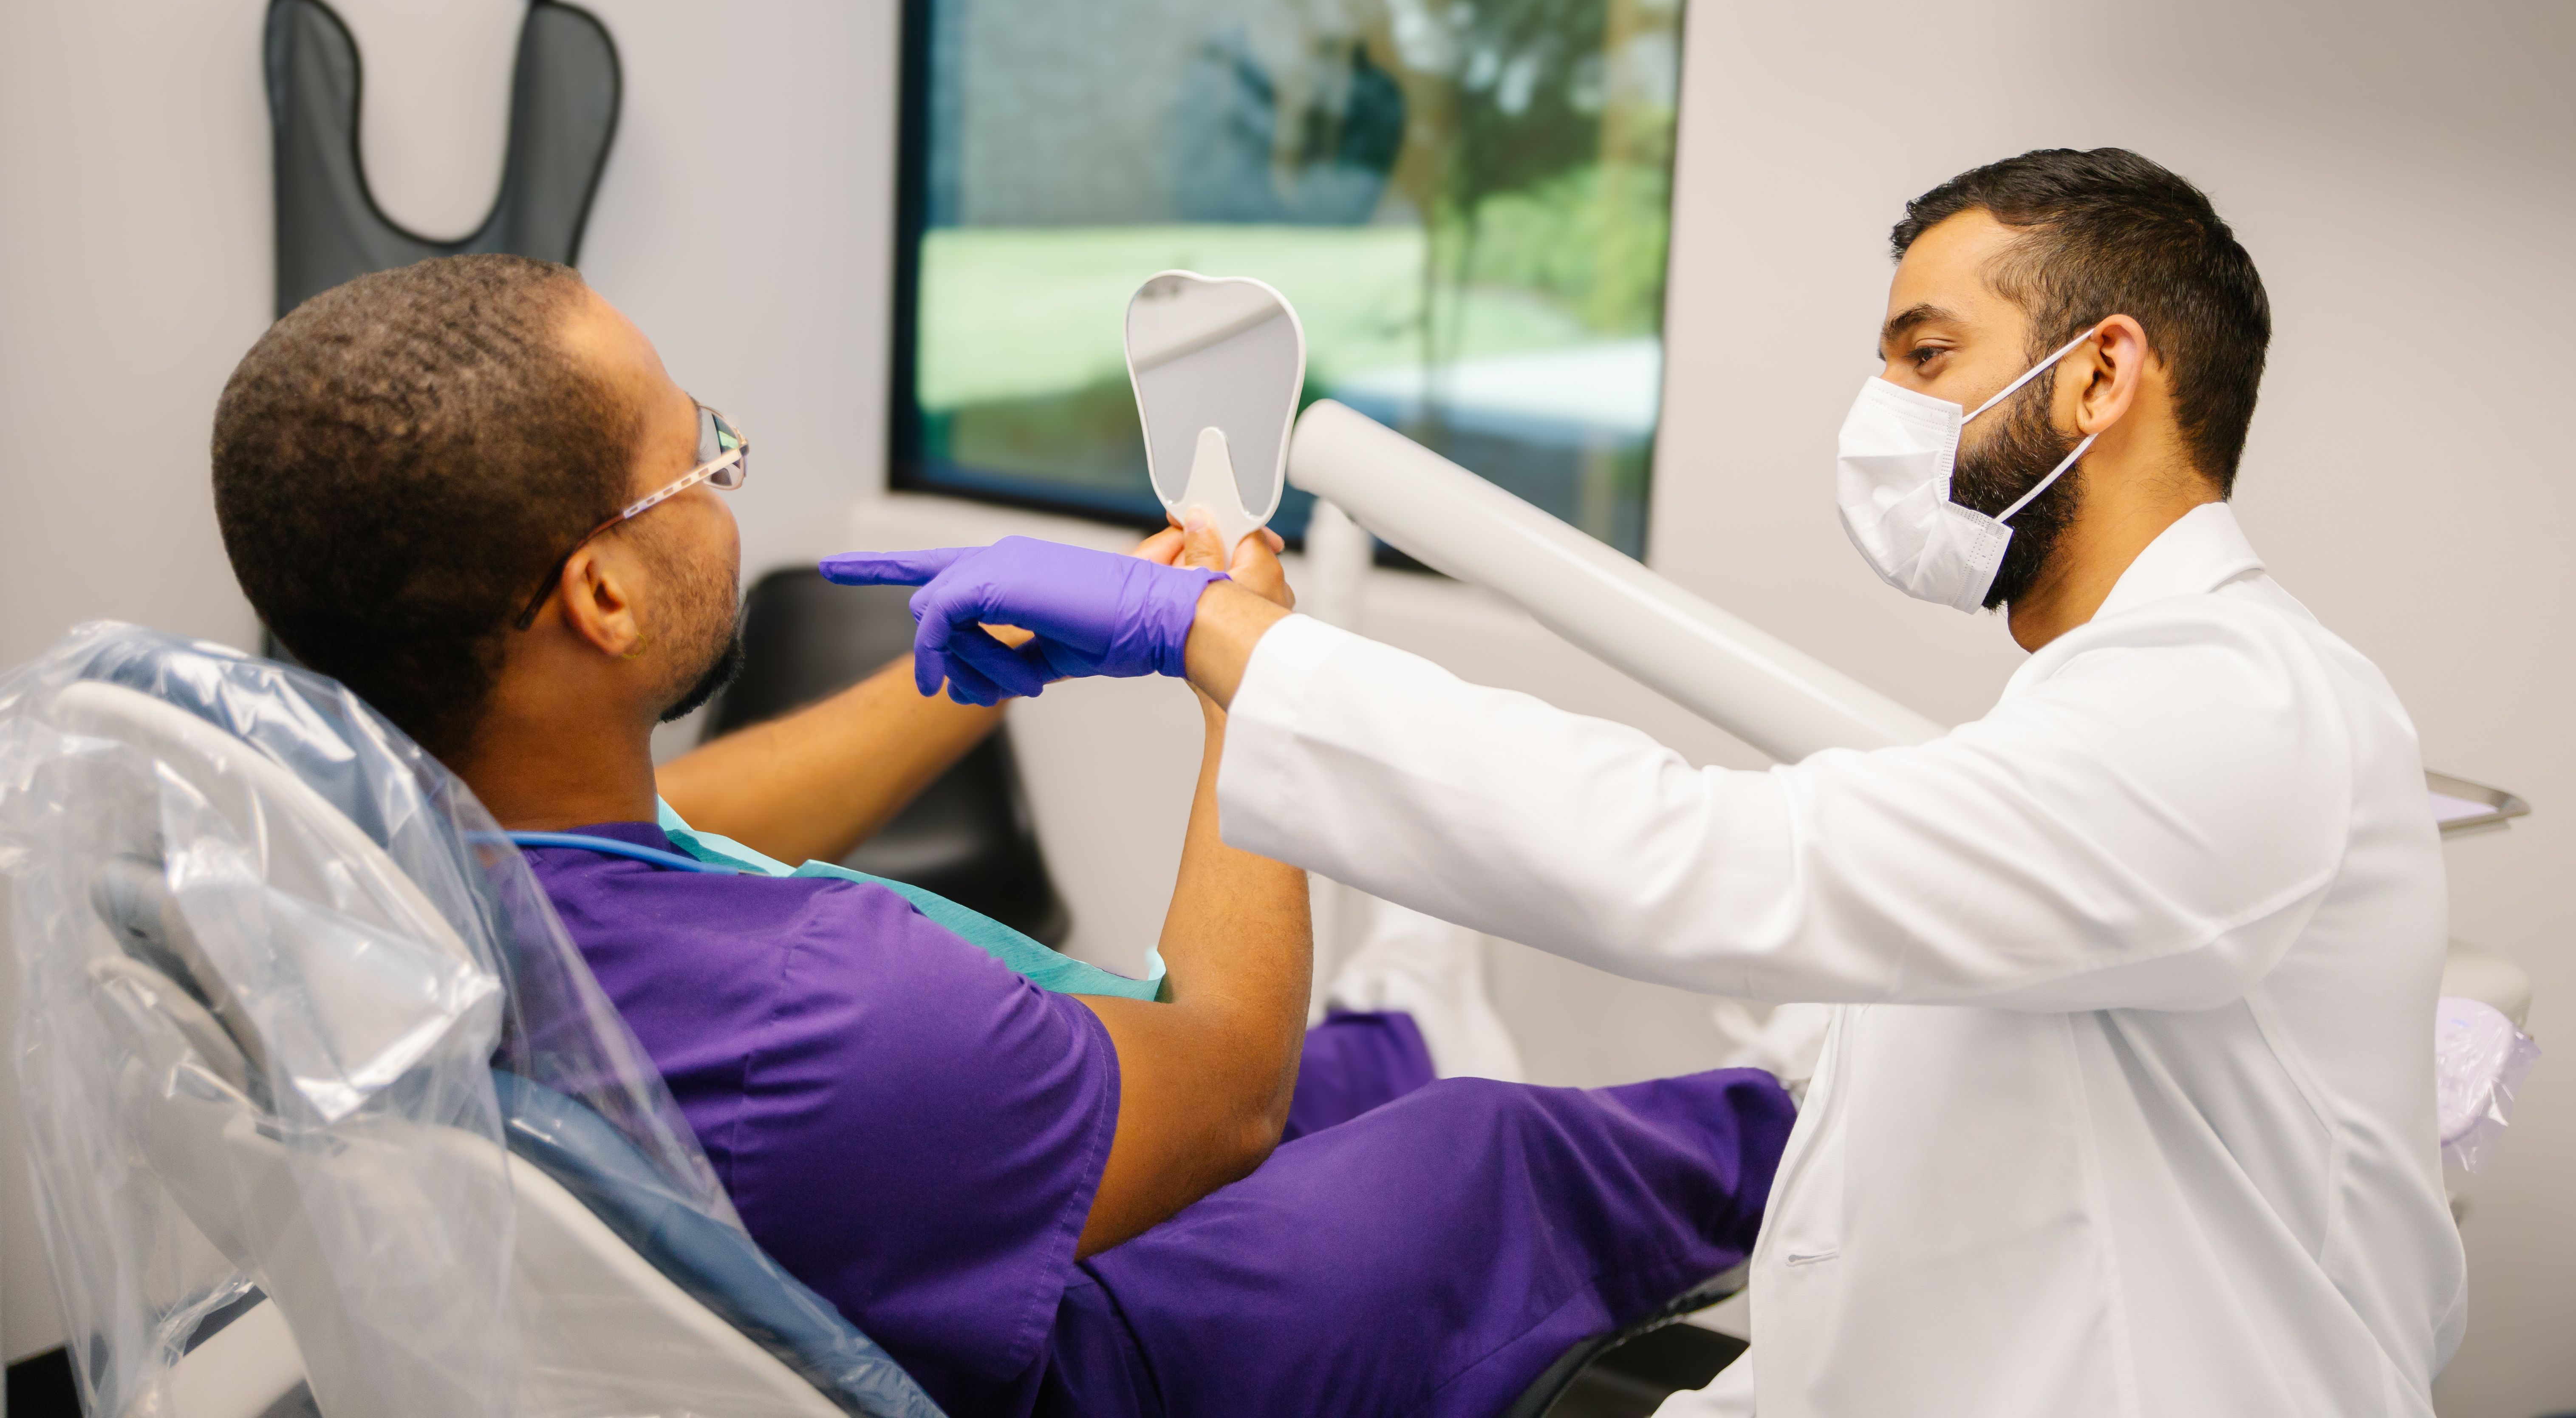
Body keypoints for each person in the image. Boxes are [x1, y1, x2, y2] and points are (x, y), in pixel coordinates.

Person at [853, 148, 2468, 1418]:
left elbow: (1722, 861)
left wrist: (1215, 639)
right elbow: (1877, 1255)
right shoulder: (2082, 730)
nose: (1882, 417)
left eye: (1929, 355)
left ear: (2104, 377)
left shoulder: (2237, 707)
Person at [206, 255, 1794, 1418]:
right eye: (699, 456)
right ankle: (1826, 1123)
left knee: (1366, 1069)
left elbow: (688, 821)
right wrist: (1251, 670)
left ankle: (1406, 1035)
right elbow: (1227, 1079)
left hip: (805, 1247)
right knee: (1497, 1152)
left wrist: (979, 674)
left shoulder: (352, 861)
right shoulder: (833, 1014)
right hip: (1065, 1377)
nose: (725, 480)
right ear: (604, 598)